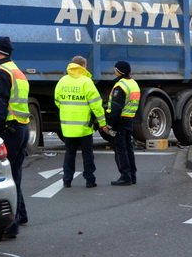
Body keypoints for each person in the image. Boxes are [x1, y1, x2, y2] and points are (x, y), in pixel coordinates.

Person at [0, 36, 30, 238]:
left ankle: (10, 226)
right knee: (15, 175)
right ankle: (20, 215)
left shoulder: (0, 73)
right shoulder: (16, 71)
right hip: (21, 129)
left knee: (4, 179)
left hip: (7, 131)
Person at [54, 56, 109, 188]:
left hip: (68, 127)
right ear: (83, 66)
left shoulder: (62, 81)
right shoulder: (86, 82)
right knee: (87, 154)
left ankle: (67, 180)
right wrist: (102, 123)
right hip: (84, 127)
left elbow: (57, 101)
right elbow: (96, 105)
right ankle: (90, 180)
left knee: (69, 154)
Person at [107, 60, 140, 185]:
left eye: (115, 69)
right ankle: (132, 175)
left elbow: (116, 108)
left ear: (118, 71)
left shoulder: (120, 86)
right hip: (129, 119)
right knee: (128, 148)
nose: (113, 70)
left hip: (119, 122)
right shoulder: (133, 83)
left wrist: (109, 125)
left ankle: (125, 176)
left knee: (120, 149)